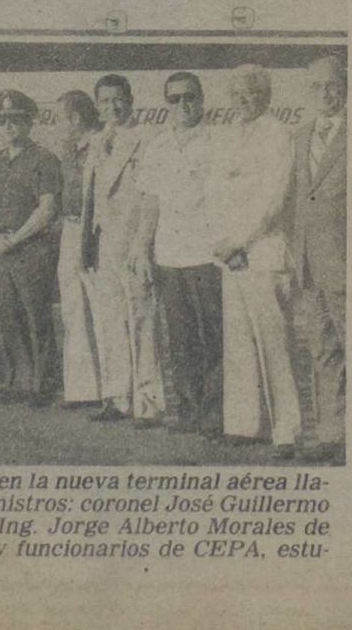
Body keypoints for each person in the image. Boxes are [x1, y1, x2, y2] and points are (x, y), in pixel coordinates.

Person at [213, 64, 300, 457]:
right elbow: (218, 192)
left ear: (266, 96)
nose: (242, 100)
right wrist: (223, 245)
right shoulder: (228, 133)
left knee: (275, 344)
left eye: (249, 93)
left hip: (263, 253)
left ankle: (286, 430)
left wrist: (241, 243)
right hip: (231, 257)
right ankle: (245, 425)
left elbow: (273, 200)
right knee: (238, 343)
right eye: (236, 94)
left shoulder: (278, 133)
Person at [134, 72, 222, 438]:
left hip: (209, 255)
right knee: (180, 339)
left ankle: (216, 414)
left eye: (189, 97)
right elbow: (150, 203)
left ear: (201, 100)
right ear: (166, 105)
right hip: (169, 255)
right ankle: (187, 410)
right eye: (175, 99)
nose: (183, 105)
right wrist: (142, 249)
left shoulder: (219, 140)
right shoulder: (157, 147)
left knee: (213, 337)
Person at [80, 74, 165, 426]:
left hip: (132, 244)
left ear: (130, 100)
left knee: (142, 321)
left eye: (118, 99)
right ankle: (118, 398)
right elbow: (91, 198)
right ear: (97, 106)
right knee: (110, 322)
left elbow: (151, 195)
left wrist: (141, 242)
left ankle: (148, 402)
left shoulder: (147, 138)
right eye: (104, 101)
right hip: (101, 243)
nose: (112, 107)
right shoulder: (98, 140)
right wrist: (87, 244)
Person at [0, 90, 62, 405]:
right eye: (3, 121)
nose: (9, 126)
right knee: (8, 315)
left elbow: (47, 208)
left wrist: (15, 239)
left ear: (29, 122)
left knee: (35, 315)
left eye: (16, 120)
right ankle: (18, 381)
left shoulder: (44, 159)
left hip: (31, 249)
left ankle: (43, 384)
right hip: (0, 250)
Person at [291, 54, 346, 463]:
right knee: (323, 349)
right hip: (310, 264)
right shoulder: (302, 133)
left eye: (331, 84)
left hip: (348, 261)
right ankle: (332, 432)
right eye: (316, 87)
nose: (324, 93)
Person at [54, 89, 102, 406]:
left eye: (60, 119)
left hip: (98, 233)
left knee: (100, 309)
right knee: (74, 311)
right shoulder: (68, 148)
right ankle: (83, 389)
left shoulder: (102, 143)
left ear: (75, 118)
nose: (58, 125)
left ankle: (110, 389)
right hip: (70, 230)